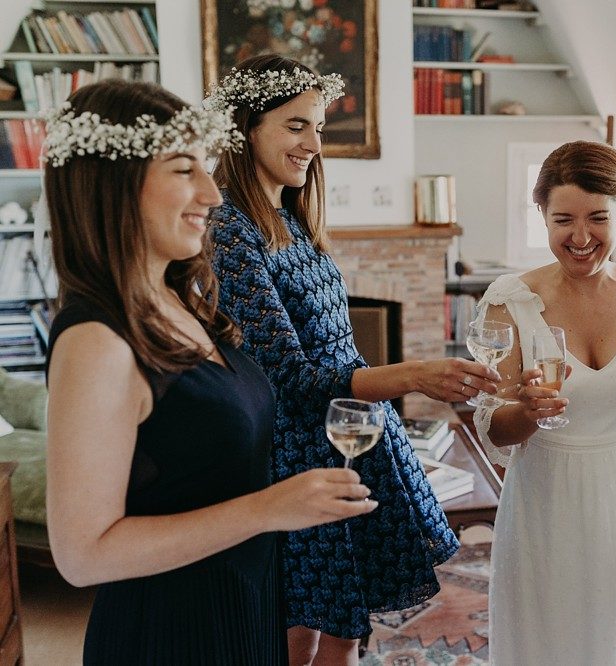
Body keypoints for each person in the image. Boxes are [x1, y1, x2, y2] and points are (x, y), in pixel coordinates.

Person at [43, 79, 377, 665]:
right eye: (182, 169)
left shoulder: (180, 301)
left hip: (241, 610)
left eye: (207, 167)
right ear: (113, 185)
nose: (213, 193)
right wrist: (269, 508)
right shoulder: (96, 340)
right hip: (172, 635)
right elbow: (82, 554)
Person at [204, 54, 499, 666]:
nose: (314, 143)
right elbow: (287, 376)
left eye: (318, 127)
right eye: (295, 126)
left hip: (350, 436)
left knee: (344, 626)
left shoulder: (291, 216)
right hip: (292, 453)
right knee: (297, 630)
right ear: (245, 129)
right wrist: (412, 375)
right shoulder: (229, 230)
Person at [473, 140, 616, 665]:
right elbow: (492, 428)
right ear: (542, 218)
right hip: (544, 511)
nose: (580, 237)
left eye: (598, 218)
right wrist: (526, 413)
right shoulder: (509, 300)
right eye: (562, 220)